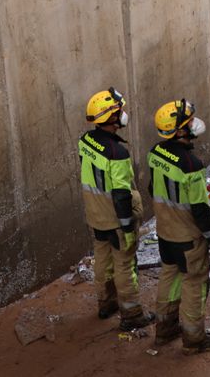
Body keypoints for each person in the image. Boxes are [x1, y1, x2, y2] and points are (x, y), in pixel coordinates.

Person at [147, 99, 210, 354]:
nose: (193, 124)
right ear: (180, 130)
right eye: (188, 122)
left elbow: (151, 188)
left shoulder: (156, 152)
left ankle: (165, 329)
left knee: (169, 275)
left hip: (164, 232)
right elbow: (200, 207)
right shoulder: (191, 165)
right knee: (194, 283)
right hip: (188, 236)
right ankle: (194, 339)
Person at [79, 88, 154, 330]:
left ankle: (106, 303)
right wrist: (127, 225)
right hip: (115, 216)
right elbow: (121, 192)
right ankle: (131, 314)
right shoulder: (117, 153)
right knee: (124, 264)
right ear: (111, 117)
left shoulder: (86, 141)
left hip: (95, 213)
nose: (123, 113)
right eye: (119, 110)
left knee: (101, 260)